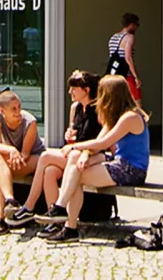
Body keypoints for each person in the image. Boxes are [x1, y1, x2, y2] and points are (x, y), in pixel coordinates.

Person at [36, 75, 150, 243]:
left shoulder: (130, 117)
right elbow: (97, 143)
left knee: (76, 176)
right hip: (118, 163)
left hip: (131, 169)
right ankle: (65, 219)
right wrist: (84, 153)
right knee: (75, 164)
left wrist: (75, 146)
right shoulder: (115, 117)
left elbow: (103, 142)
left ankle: (65, 218)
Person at [28, 70, 96, 219]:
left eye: (74, 88)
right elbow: (73, 134)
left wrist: (74, 145)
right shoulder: (76, 108)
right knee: (50, 171)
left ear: (86, 90)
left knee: (45, 157)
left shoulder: (97, 110)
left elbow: (98, 141)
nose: (69, 91)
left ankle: (29, 206)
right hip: (74, 155)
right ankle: (55, 219)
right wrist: (69, 136)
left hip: (88, 157)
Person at [0, 90, 44, 232]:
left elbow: (25, 153)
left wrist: (14, 153)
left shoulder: (29, 121)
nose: (18, 112)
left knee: (1, 168)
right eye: (13, 109)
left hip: (33, 159)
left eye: (19, 107)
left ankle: (1, 218)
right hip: (12, 158)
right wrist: (12, 150)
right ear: (2, 110)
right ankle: (10, 201)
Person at [106, 13, 142, 104]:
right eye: (136, 25)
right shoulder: (129, 37)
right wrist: (136, 77)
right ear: (131, 25)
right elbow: (128, 57)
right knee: (136, 102)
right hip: (126, 75)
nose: (137, 28)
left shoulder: (113, 37)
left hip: (113, 75)